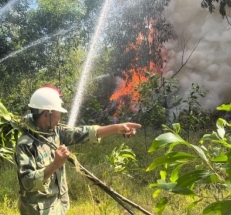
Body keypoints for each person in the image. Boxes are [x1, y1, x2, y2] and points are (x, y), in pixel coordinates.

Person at [15, 86, 141, 215]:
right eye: (59, 112)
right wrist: (55, 165)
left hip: (57, 207)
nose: (60, 117)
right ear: (48, 113)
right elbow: (27, 182)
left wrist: (116, 128)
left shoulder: (55, 132)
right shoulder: (26, 144)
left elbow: (84, 132)